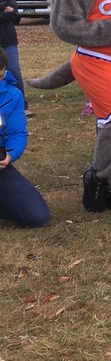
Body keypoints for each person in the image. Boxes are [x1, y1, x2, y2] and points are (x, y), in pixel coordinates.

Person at [0, 48, 49, 227]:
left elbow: (17, 133)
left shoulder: (12, 95)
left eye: (0, 76)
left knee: (37, 216)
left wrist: (9, 155)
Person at [0, 0, 23, 97]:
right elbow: (8, 13)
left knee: (14, 72)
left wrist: (8, 12)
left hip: (8, 40)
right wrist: (3, 9)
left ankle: (22, 104)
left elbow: (14, 15)